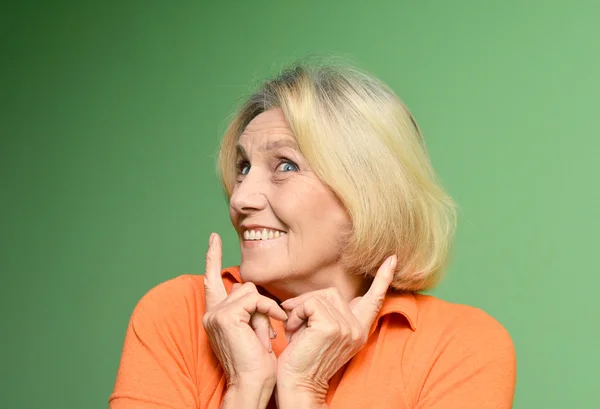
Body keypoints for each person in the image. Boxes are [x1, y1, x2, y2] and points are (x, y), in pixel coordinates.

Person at [109, 63, 516, 409]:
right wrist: (245, 389)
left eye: (285, 166)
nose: (242, 197)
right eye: (243, 167)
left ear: (368, 193)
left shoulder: (460, 345)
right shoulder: (177, 313)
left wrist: (304, 390)